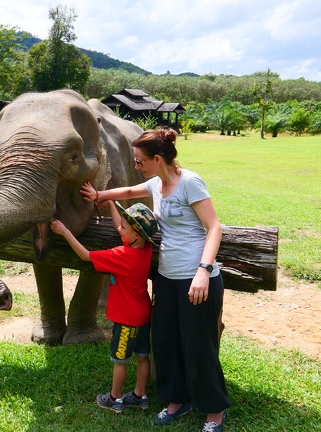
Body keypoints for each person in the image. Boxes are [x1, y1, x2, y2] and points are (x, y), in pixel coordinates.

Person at [80, 128, 231, 432]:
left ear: (157, 159)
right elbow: (127, 193)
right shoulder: (156, 183)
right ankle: (177, 400)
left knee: (198, 345)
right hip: (166, 279)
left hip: (195, 280)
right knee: (165, 342)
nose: (137, 166)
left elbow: (214, 227)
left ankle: (214, 410)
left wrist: (204, 269)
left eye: (139, 161)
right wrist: (100, 195)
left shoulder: (189, 182)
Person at [50, 199, 159, 414]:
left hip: (127, 320)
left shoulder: (121, 256)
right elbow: (125, 231)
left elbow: (85, 255)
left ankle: (114, 398)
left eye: (124, 227)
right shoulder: (143, 248)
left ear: (135, 234)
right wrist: (111, 204)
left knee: (120, 361)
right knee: (142, 356)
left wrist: (64, 231)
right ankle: (140, 395)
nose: (119, 228)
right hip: (144, 314)